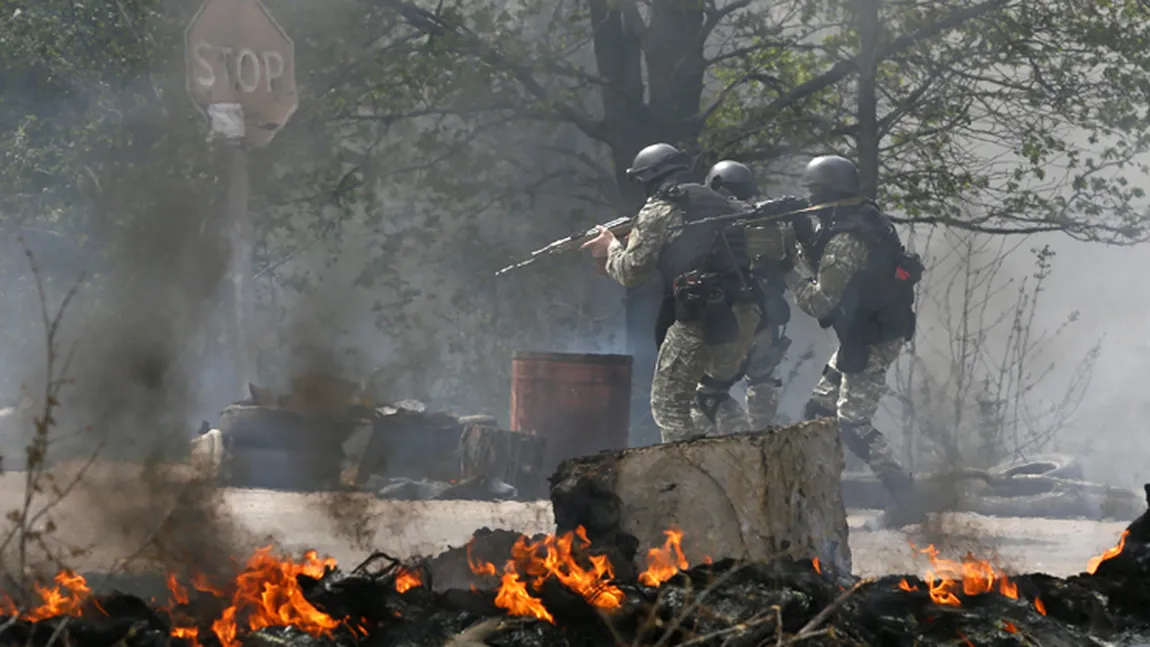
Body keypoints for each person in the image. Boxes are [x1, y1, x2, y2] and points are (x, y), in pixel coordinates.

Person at [581, 143, 762, 443]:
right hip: (744, 313)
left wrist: (610, 246)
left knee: (669, 407)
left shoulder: (659, 208)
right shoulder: (718, 200)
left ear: (649, 177)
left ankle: (687, 480)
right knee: (711, 396)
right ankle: (741, 462)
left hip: (702, 316)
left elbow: (630, 272)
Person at [783, 154, 926, 526]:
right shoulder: (859, 219)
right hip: (861, 333)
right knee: (818, 411)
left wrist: (788, 269)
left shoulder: (845, 238)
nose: (810, 202)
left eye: (814, 193)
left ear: (826, 193)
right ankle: (813, 496)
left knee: (852, 423)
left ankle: (906, 498)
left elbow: (820, 301)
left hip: (872, 337)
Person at [701, 160, 794, 430]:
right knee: (762, 379)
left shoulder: (713, 225)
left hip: (731, 317)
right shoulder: (770, 222)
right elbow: (788, 263)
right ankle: (762, 437)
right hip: (768, 313)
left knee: (710, 389)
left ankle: (732, 442)